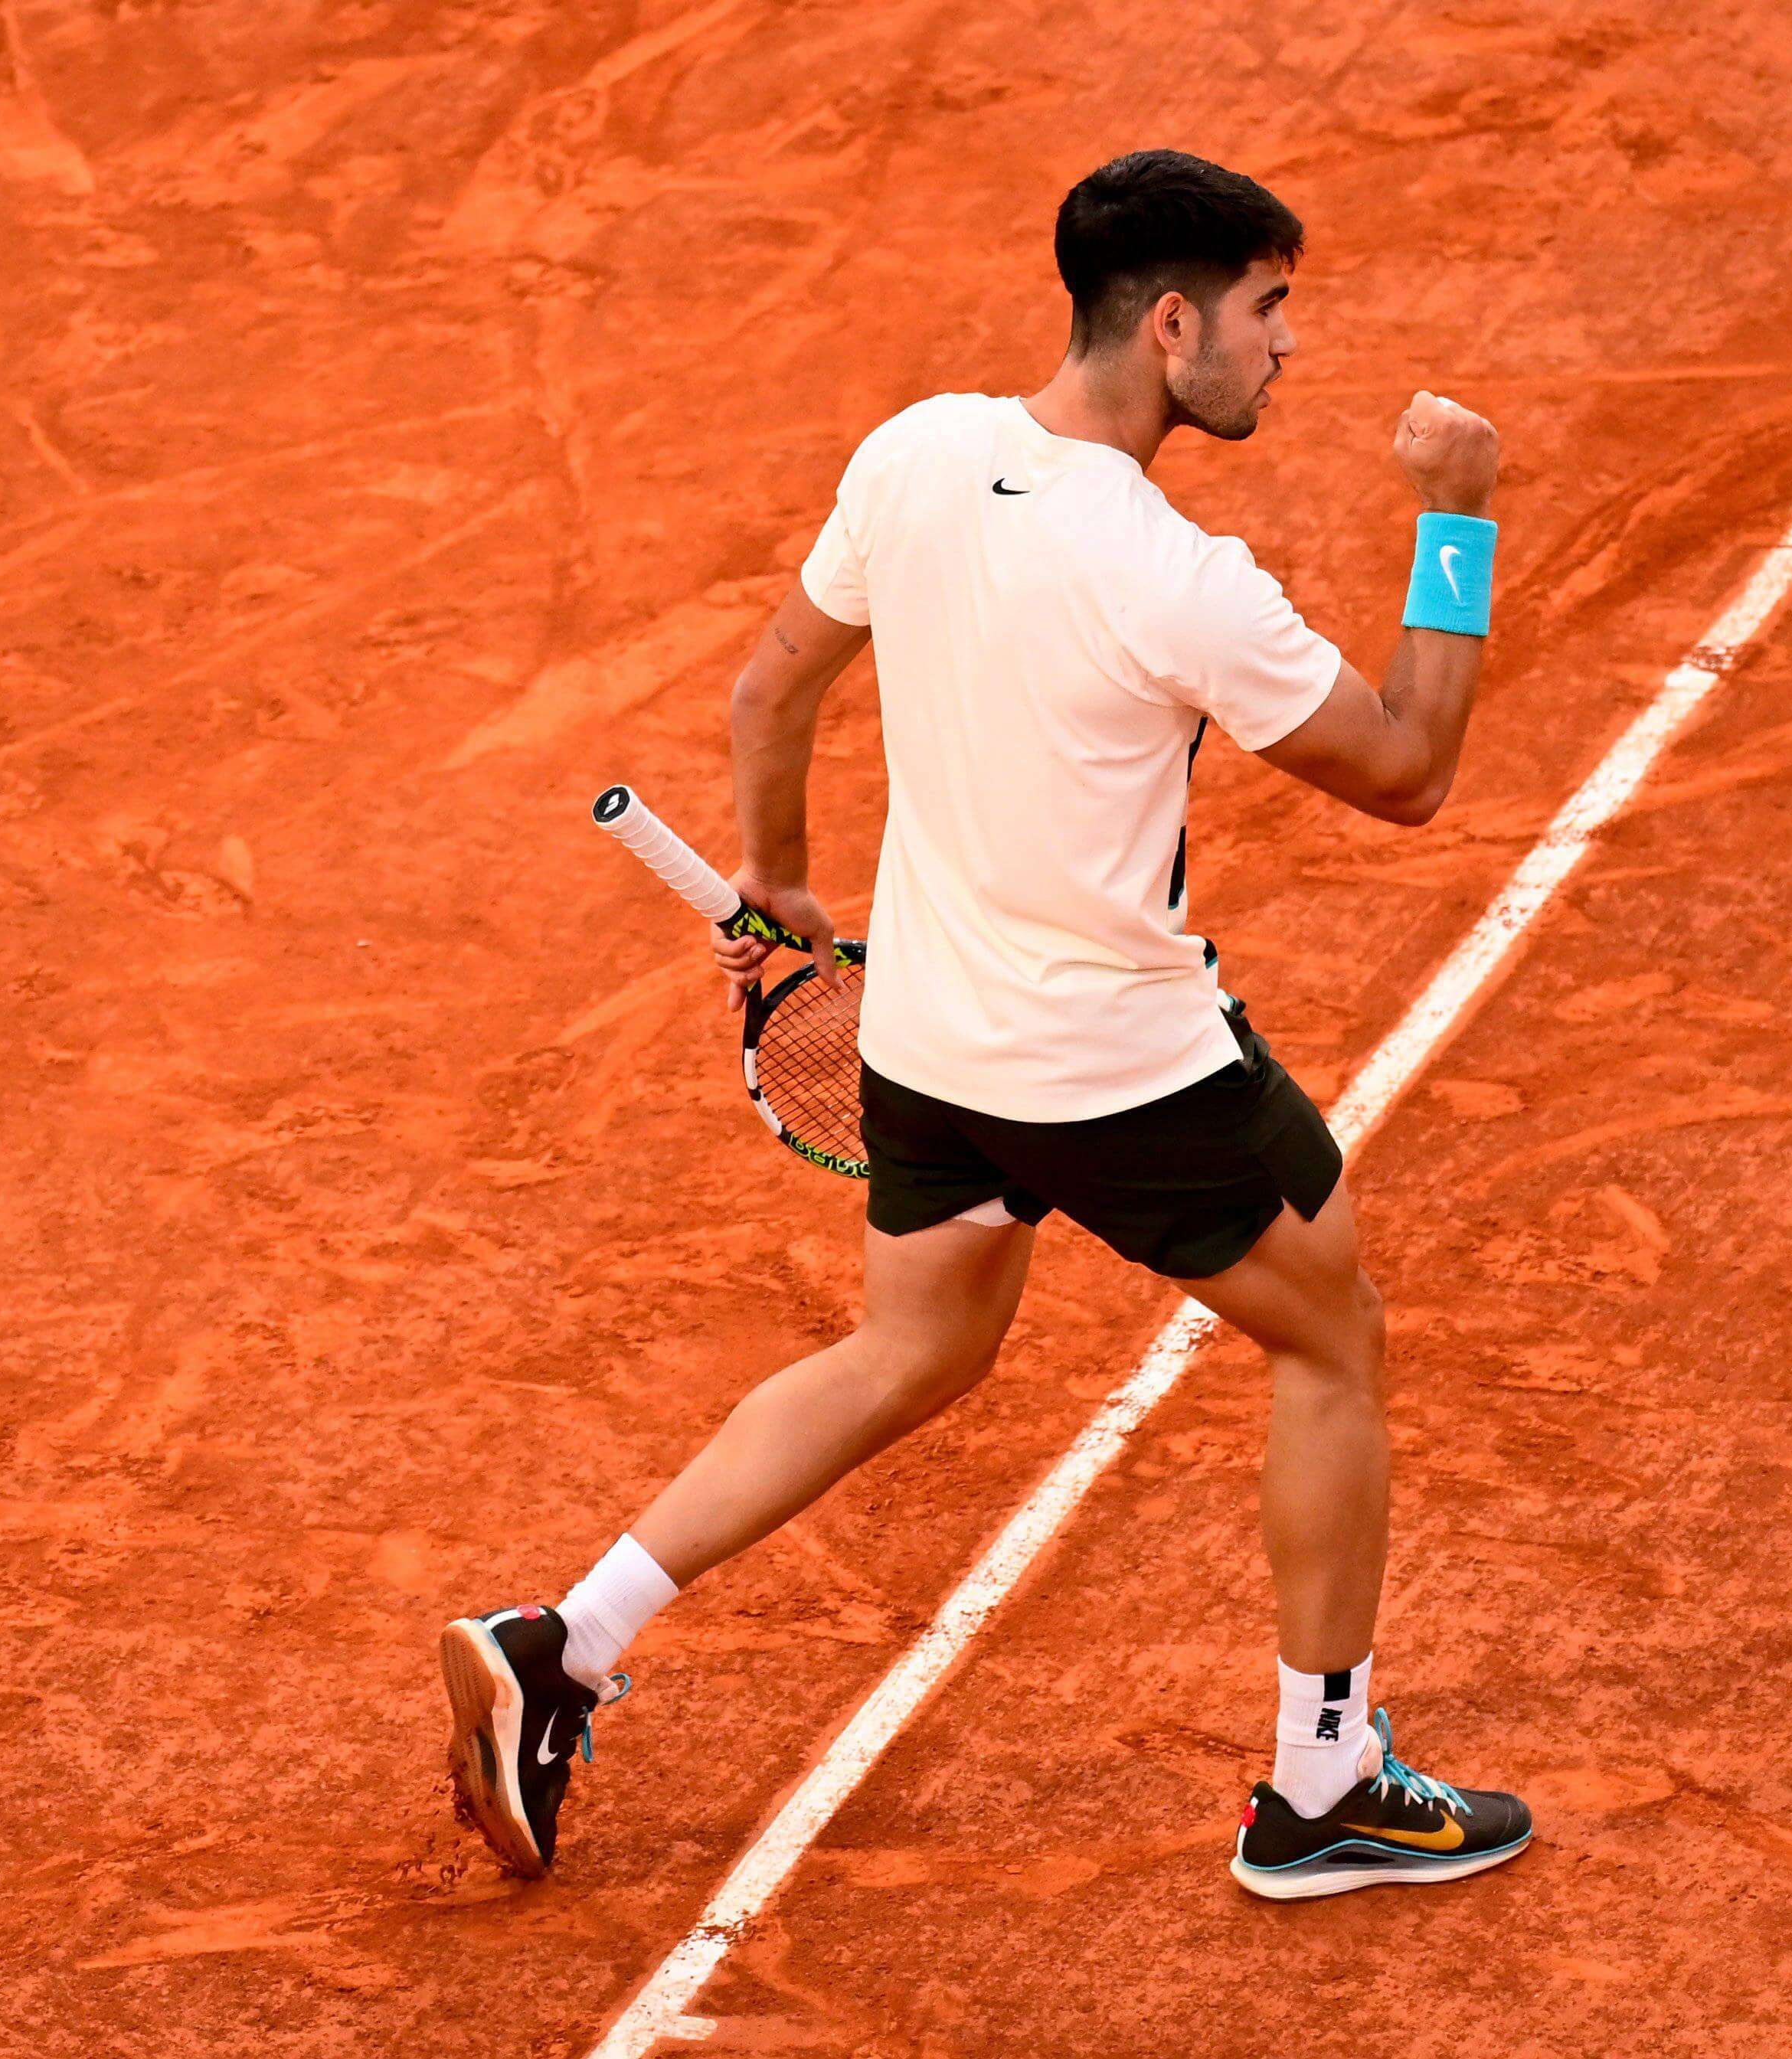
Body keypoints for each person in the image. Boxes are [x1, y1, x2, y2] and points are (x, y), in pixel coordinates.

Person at [442, 149, 1528, 1901]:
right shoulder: (1181, 576)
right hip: (1124, 1069)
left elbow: (770, 679)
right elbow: (1406, 770)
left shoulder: (917, 450)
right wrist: (1459, 516)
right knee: (1333, 1343)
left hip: (931, 1048)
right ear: (1172, 325)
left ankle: (565, 1643)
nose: (1287, 348)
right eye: (1267, 311)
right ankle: (1323, 1781)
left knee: (912, 1349)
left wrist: (780, 884)